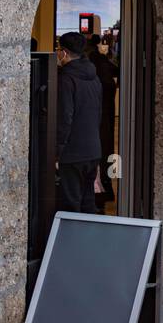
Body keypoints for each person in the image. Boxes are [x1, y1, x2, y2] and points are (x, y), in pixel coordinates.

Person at [55, 32, 103, 214]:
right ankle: (88, 240)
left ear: (64, 53)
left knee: (71, 205)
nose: (58, 54)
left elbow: (64, 118)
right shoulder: (94, 77)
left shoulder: (66, 79)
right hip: (92, 150)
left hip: (72, 153)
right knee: (87, 202)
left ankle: (72, 241)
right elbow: (98, 113)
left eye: (59, 50)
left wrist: (57, 151)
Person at [88, 34, 118, 211]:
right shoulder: (102, 62)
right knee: (104, 152)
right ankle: (103, 190)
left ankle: (98, 192)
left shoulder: (89, 63)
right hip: (105, 114)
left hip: (96, 116)